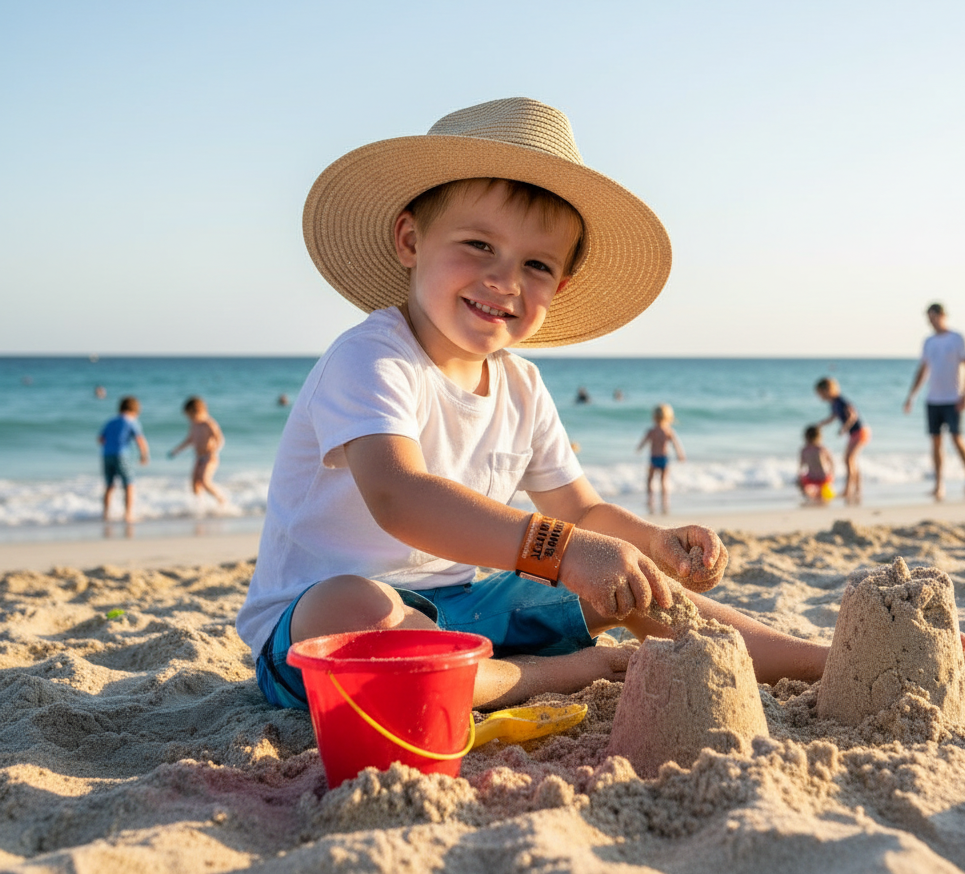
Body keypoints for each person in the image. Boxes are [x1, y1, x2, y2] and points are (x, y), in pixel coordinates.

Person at [236, 97, 829, 715]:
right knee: (359, 606)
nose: (505, 280)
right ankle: (573, 670)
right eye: (478, 245)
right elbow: (399, 496)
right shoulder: (372, 357)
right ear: (411, 240)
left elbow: (581, 510)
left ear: (560, 286)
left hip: (468, 605)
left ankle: (819, 663)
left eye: (536, 264)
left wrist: (653, 543)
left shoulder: (521, 384)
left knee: (630, 583)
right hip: (319, 629)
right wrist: (565, 551)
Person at [904, 303, 965, 500]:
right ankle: (939, 484)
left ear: (943, 315)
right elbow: (923, 370)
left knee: (956, 438)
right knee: (935, 442)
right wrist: (912, 395)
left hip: (953, 397)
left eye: (933, 317)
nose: (931, 322)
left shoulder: (957, 338)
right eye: (928, 318)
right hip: (933, 399)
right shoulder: (928, 342)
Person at [814, 377, 870, 504]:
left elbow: (852, 415)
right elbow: (833, 417)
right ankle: (857, 489)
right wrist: (821, 424)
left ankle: (849, 489)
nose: (820, 397)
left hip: (860, 432)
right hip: (854, 433)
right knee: (850, 460)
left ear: (827, 390)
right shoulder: (834, 403)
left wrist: (844, 428)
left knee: (849, 460)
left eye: (820, 393)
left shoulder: (841, 401)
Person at [98, 396, 149, 521]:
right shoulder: (131, 421)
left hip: (106, 455)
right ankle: (128, 514)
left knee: (109, 485)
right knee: (129, 484)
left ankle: (105, 514)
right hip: (122, 455)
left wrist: (110, 445)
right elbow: (139, 439)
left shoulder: (111, 421)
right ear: (135, 410)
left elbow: (100, 439)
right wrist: (144, 455)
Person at [169, 397, 227, 506]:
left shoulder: (209, 423)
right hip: (199, 458)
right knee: (195, 482)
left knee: (205, 481)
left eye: (191, 416)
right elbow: (189, 440)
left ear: (199, 411)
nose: (190, 419)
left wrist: (215, 449)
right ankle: (200, 505)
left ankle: (221, 500)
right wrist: (176, 451)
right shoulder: (194, 425)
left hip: (210, 458)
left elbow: (220, 438)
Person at [636, 403, 685, 515]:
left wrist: (639, 448)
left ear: (654, 417)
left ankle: (650, 500)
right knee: (663, 481)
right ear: (668, 417)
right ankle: (664, 501)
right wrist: (680, 455)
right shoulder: (668, 431)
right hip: (664, 459)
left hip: (654, 458)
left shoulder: (651, 431)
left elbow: (644, 442)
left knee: (650, 480)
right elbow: (676, 444)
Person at [797, 425, 835, 504]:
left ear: (806, 437)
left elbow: (801, 465)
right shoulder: (822, 449)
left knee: (800, 481)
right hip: (823, 477)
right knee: (823, 491)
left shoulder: (804, 450)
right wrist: (832, 473)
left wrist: (799, 476)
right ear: (819, 436)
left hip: (811, 477)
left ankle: (807, 495)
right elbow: (831, 462)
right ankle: (819, 493)